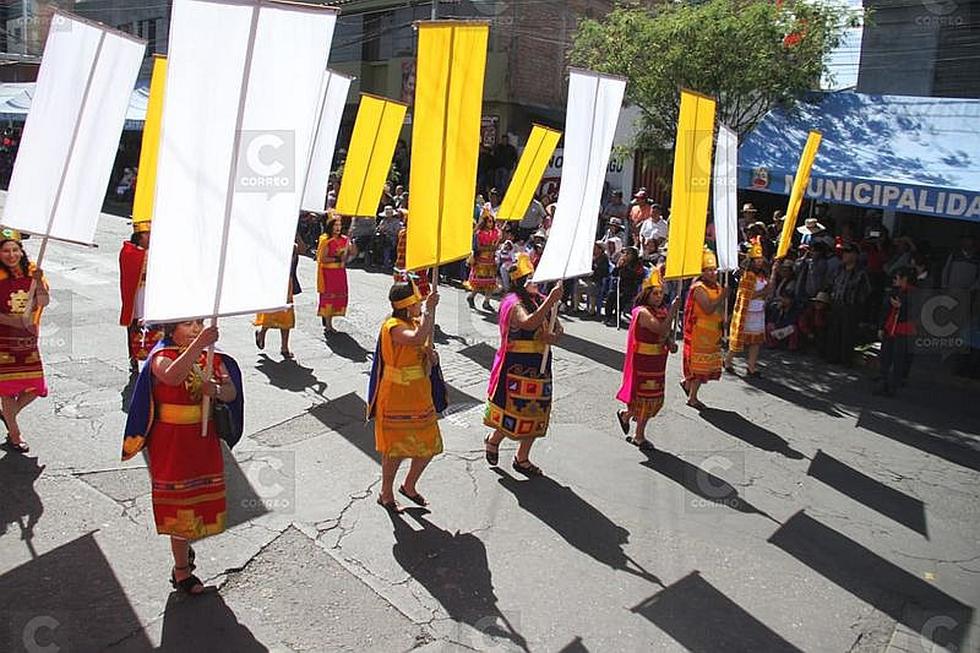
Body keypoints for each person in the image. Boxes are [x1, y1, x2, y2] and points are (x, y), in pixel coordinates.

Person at [121, 319, 244, 595]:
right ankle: (182, 570)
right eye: (188, 324)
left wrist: (217, 390)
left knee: (198, 502)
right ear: (171, 328)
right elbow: (173, 376)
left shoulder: (212, 357)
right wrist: (199, 344)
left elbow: (230, 391)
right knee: (179, 505)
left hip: (203, 440)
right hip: (171, 442)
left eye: (199, 322)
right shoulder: (161, 354)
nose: (196, 328)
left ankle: (184, 549)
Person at [483, 253, 563, 477]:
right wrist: (550, 301)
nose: (536, 282)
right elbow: (527, 323)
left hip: (540, 365)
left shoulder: (540, 299)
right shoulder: (513, 301)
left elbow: (558, 327)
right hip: (516, 365)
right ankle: (493, 440)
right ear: (520, 281)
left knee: (536, 412)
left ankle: (522, 458)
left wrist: (554, 336)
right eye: (531, 278)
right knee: (513, 410)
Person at [366, 284, 442, 511]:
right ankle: (385, 493)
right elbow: (416, 339)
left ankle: (409, 485)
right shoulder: (393, 326)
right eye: (417, 302)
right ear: (407, 306)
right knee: (396, 450)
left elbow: (421, 346)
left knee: (430, 445)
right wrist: (429, 310)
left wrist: (431, 358)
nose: (420, 304)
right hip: (396, 397)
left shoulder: (415, 322)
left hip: (420, 395)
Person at [615, 266, 679, 451]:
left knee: (654, 398)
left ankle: (626, 416)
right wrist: (674, 310)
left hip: (658, 361)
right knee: (644, 398)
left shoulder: (662, 311)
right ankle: (639, 436)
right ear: (647, 294)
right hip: (643, 361)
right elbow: (660, 328)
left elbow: (663, 334)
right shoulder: (642, 312)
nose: (658, 297)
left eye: (661, 293)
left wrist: (670, 343)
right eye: (655, 293)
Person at [0, 230, 49, 453]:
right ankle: (15, 434)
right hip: (3, 339)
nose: (11, 255)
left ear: (21, 251)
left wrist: (39, 282)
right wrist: (12, 321)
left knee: (36, 387)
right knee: (7, 390)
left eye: (14, 250)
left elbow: (44, 301)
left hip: (27, 339)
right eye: (5, 251)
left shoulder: (33, 271)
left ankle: (8, 415)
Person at [681, 249, 725, 409]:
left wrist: (724, 318)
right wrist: (723, 296)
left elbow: (719, 308)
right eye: (708, 270)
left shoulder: (717, 286)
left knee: (706, 364)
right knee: (699, 367)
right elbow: (708, 308)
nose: (713, 273)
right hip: (699, 333)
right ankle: (692, 398)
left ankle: (687, 383)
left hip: (713, 332)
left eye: (714, 269)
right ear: (702, 272)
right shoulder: (699, 287)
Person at [119, 221, 163, 374]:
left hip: (152, 293)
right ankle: (134, 357)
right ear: (138, 236)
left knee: (156, 327)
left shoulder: (157, 251)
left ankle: (155, 356)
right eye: (146, 234)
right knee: (135, 327)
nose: (150, 237)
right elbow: (130, 271)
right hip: (137, 295)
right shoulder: (129, 251)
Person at [724, 238, 770, 376]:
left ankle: (751, 367)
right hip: (748, 312)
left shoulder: (762, 275)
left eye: (760, 259)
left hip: (759, 311)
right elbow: (747, 296)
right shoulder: (747, 276)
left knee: (756, 341)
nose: (759, 262)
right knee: (741, 338)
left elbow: (767, 289)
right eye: (756, 260)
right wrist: (763, 292)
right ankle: (728, 360)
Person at [825, 242, 871, 365]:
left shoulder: (861, 272)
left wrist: (857, 303)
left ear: (855, 255)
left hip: (851, 306)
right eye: (844, 252)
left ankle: (845, 359)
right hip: (836, 303)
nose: (844, 255)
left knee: (847, 333)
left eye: (848, 252)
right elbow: (831, 283)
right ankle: (832, 357)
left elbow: (866, 291)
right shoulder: (839, 269)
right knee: (834, 331)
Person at [255, 238, 302, 358]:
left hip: (287, 285)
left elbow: (292, 269)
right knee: (271, 313)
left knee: (287, 316)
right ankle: (261, 333)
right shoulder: (269, 246)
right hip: (272, 284)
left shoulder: (293, 247)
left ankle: (284, 347)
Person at [875, 267, 917, 396]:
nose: (895, 280)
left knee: (899, 359)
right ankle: (883, 382)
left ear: (904, 279)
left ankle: (893, 386)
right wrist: (881, 327)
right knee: (885, 356)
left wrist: (901, 307)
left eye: (897, 278)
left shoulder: (914, 294)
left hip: (904, 330)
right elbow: (885, 310)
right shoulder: (893, 292)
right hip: (890, 328)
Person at [316, 216, 357, 333]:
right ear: (330, 226)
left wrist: (352, 243)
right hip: (328, 274)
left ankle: (330, 321)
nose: (338, 228)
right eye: (335, 225)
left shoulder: (345, 239)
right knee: (329, 297)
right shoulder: (326, 240)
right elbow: (323, 258)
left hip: (340, 272)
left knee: (338, 297)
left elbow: (353, 253)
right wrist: (337, 259)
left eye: (339, 225)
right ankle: (328, 324)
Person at [466, 206, 501, 311]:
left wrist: (496, 244)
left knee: (491, 283)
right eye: (489, 221)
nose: (491, 223)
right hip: (481, 261)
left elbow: (497, 245)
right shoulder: (479, 233)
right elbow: (478, 247)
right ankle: (471, 296)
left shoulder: (495, 233)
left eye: (492, 221)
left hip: (491, 261)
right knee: (479, 283)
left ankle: (486, 302)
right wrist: (490, 248)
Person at [605, 246, 645, 327]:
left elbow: (639, 278)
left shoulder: (638, 264)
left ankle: (616, 318)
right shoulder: (622, 262)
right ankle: (608, 317)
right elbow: (614, 274)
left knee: (621, 299)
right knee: (610, 296)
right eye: (625, 253)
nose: (626, 255)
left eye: (628, 253)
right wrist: (618, 266)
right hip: (619, 285)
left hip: (630, 287)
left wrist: (627, 268)